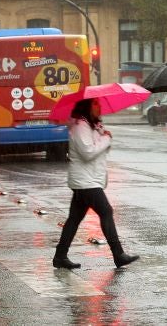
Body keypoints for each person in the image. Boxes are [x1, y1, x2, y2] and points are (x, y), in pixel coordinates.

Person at [53, 98, 139, 269]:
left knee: (74, 219)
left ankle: (60, 256)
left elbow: (97, 150)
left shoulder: (91, 126)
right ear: (86, 106)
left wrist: (102, 134)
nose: (99, 107)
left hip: (87, 179)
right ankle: (118, 254)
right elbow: (88, 152)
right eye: (95, 104)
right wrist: (105, 139)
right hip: (86, 181)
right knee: (106, 210)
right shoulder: (80, 126)